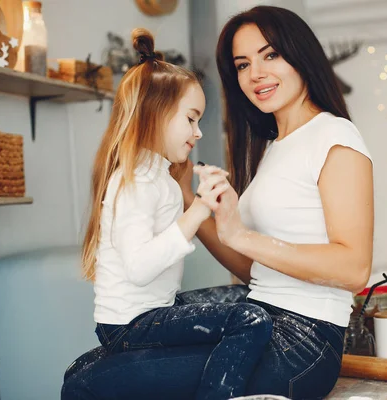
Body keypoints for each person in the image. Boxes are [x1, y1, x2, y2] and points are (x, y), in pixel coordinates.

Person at [63, 6, 374, 399]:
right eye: (243, 64)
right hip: (264, 308)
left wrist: (240, 235)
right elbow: (258, 270)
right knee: (88, 364)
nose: (255, 73)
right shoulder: (274, 147)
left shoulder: (335, 137)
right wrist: (193, 200)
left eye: (270, 55)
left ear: (301, 55)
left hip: (304, 341)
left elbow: (354, 268)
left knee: (84, 385)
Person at [63, 28, 273, 400]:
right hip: (130, 326)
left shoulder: (156, 175)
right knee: (251, 320)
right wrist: (200, 207)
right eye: (191, 119)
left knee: (246, 296)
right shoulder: (136, 181)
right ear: (154, 114)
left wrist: (200, 202)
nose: (198, 133)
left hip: (154, 311)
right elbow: (140, 268)